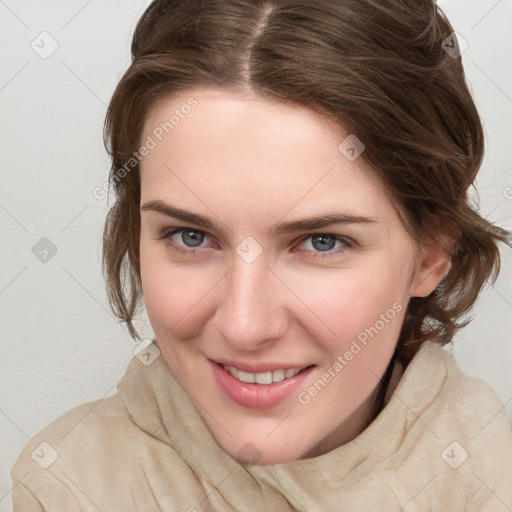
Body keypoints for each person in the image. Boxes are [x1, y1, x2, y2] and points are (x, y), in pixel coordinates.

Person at [11, 0, 512, 510]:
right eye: (190, 236)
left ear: (431, 254)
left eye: (322, 242)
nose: (244, 326)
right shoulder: (72, 487)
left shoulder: (492, 471)